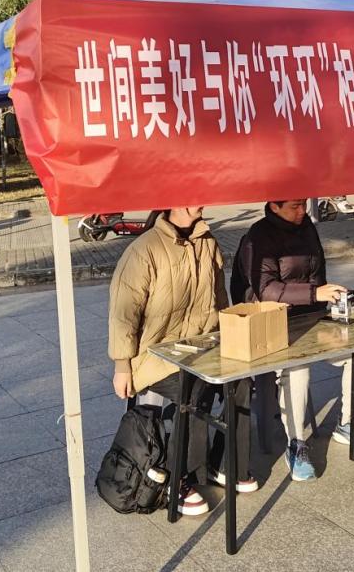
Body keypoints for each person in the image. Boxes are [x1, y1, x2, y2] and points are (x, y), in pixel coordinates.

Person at [108, 207, 254, 517]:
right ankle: (179, 478)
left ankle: (224, 464)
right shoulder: (144, 250)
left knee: (241, 380)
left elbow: (219, 300)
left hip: (201, 348)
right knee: (193, 389)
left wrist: (231, 341)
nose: (201, 203)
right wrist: (122, 366)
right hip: (154, 355)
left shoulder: (208, 242)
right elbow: (123, 314)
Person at [230, 199, 354, 483]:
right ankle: (296, 444)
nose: (302, 211)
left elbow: (318, 275)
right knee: (297, 367)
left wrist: (331, 300)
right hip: (273, 324)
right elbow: (265, 290)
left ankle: (349, 422)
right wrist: (315, 294)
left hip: (313, 317)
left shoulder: (307, 227)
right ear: (274, 206)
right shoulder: (257, 237)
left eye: (303, 205)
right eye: (294, 206)